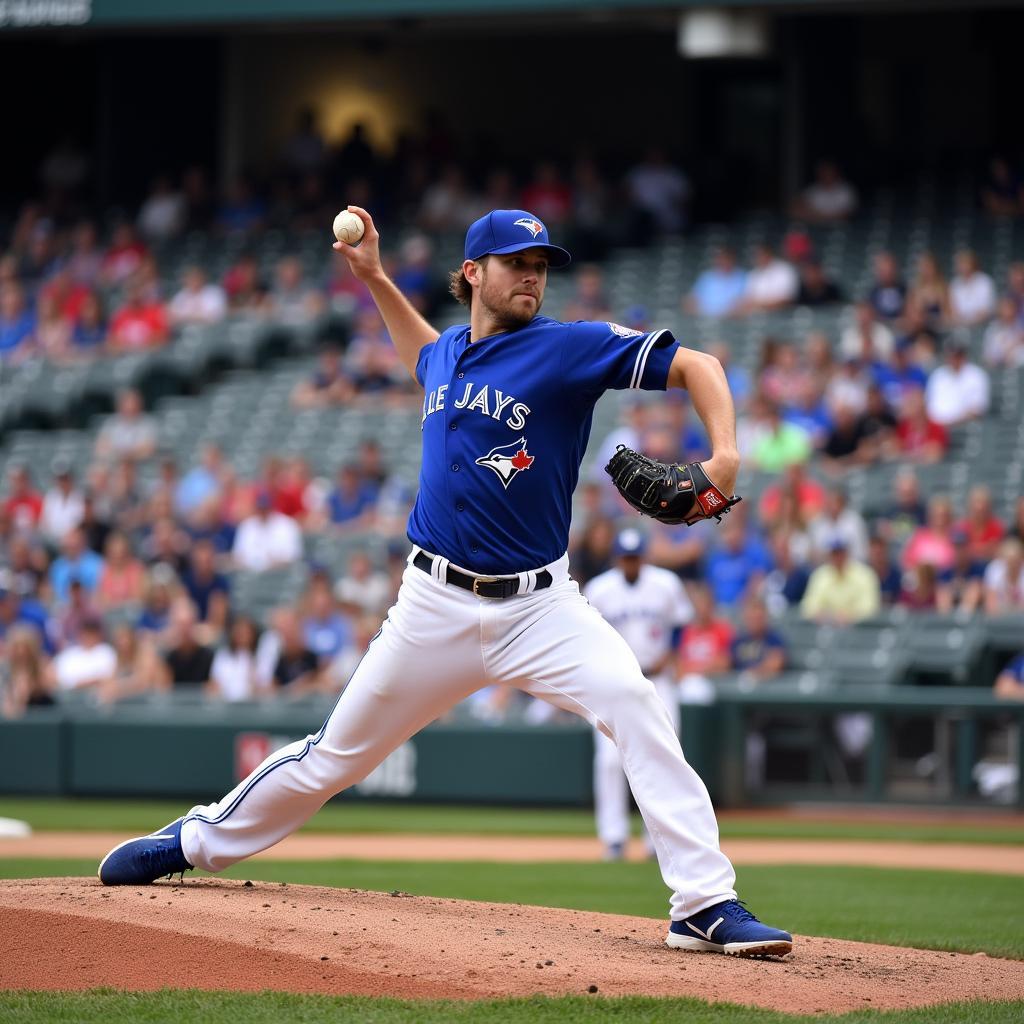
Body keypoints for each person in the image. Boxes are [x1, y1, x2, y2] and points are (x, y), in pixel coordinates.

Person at [98, 205, 792, 958]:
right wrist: (376, 280)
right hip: (431, 606)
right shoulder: (447, 357)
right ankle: (191, 841)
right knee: (333, 757)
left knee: (634, 701)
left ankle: (703, 904)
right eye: (516, 262)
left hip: (541, 607)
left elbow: (701, 366)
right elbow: (420, 351)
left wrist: (723, 458)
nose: (532, 274)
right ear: (472, 273)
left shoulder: (569, 348)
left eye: (541, 264)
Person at [583, 529, 692, 861]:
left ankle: (656, 840)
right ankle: (613, 837)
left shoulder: (666, 583)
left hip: (658, 679)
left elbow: (681, 622)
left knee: (663, 756)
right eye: (625, 557)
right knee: (609, 761)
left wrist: (671, 655)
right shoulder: (599, 588)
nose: (631, 563)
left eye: (635, 557)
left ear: (644, 556)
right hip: (613, 682)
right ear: (618, 558)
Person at [800, 539, 880, 625]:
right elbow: (808, 607)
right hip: (826, 628)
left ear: (847, 553)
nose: (838, 557)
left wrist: (850, 616)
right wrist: (828, 616)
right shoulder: (820, 575)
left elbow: (870, 607)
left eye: (841, 553)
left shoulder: (864, 575)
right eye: (834, 554)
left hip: (858, 630)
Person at [231, 492, 303, 572]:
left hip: (281, 575)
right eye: (260, 508)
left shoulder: (287, 525)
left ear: (272, 507)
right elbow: (238, 557)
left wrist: (272, 564)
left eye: (266, 508)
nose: (263, 512)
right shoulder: (246, 526)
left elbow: (294, 556)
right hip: (252, 576)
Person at [925, 341, 990, 427]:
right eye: (950, 356)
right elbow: (927, 404)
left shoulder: (976, 375)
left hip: (964, 427)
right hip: (936, 427)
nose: (953, 359)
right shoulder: (938, 374)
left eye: (957, 356)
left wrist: (951, 422)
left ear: (963, 356)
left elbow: (977, 409)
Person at [685, 248, 747, 318]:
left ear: (733, 260)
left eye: (727, 259)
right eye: (721, 259)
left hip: (730, 319)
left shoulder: (742, 277)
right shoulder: (706, 276)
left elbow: (745, 303)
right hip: (705, 317)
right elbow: (691, 299)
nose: (724, 262)